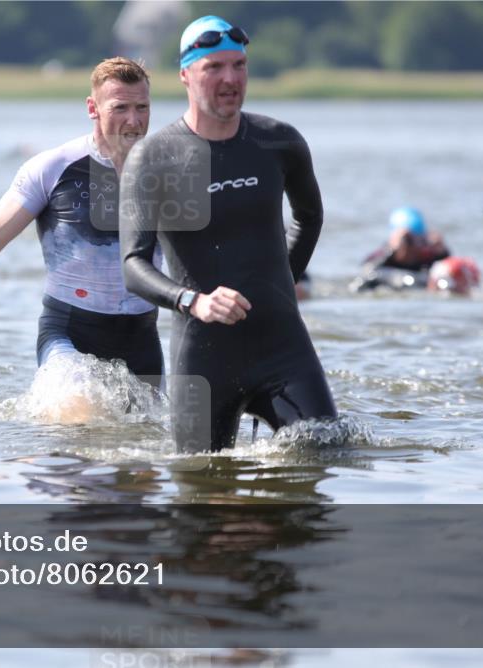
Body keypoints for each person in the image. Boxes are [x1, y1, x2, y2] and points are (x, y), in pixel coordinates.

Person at [120, 16, 337, 452]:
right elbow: (133, 265)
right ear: (185, 75)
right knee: (201, 495)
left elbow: (309, 217)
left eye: (239, 66)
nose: (230, 79)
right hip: (203, 359)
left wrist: (279, 285)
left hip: (282, 347)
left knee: (326, 454)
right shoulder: (154, 158)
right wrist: (193, 302)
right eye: (214, 68)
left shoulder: (279, 142)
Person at [0, 58, 162, 406]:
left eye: (142, 108)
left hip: (142, 341)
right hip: (69, 335)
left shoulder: (170, 174)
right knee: (78, 413)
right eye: (120, 108)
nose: (133, 121)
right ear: (93, 108)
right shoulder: (53, 168)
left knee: (146, 452)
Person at [362, 206, 449, 272]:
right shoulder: (381, 258)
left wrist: (441, 253)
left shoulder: (426, 260)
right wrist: (392, 251)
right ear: (393, 240)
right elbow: (366, 271)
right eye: (407, 240)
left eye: (418, 240)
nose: (411, 248)